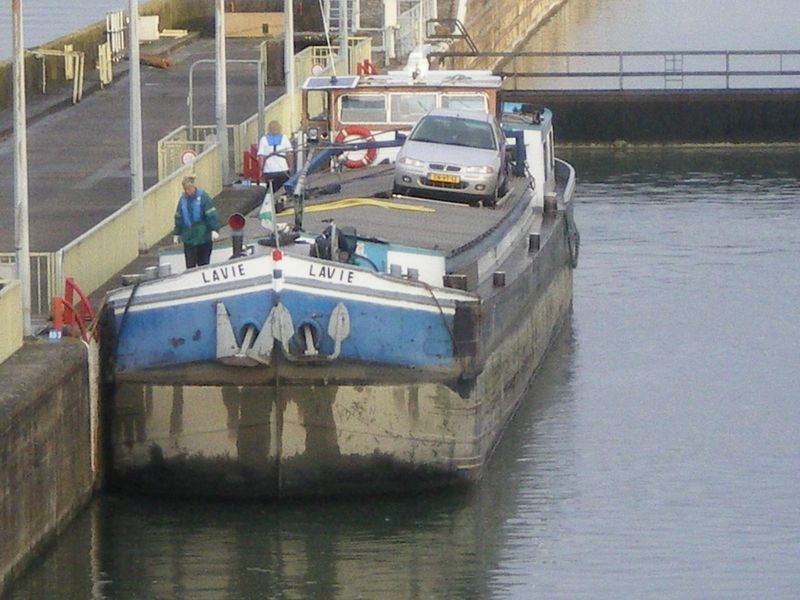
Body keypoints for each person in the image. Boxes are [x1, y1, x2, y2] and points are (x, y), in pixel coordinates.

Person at [172, 175, 221, 268]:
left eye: (189, 188)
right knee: (190, 265)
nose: (187, 191)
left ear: (193, 186)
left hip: (203, 237)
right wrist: (177, 233)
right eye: (185, 189)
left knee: (204, 264)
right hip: (189, 238)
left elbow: (211, 215)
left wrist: (215, 230)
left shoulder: (203, 197)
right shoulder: (182, 200)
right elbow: (178, 218)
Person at [257, 120, 294, 193]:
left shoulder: (263, 139)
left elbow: (261, 157)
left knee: (271, 190)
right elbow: (289, 154)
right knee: (283, 191)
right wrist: (290, 167)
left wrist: (261, 170)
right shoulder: (284, 138)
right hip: (283, 170)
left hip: (268, 171)